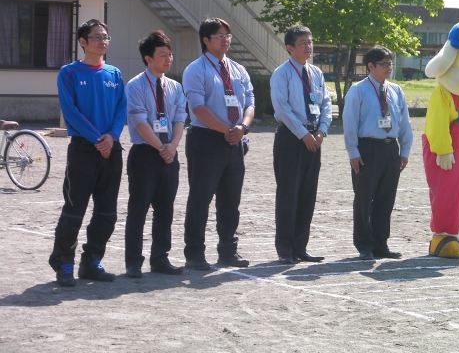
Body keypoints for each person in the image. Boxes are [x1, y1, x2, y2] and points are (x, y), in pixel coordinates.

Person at [49, 19, 126, 287]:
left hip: (111, 149)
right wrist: (97, 138)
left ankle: (91, 261)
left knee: (107, 212)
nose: (102, 41)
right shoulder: (69, 72)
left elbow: (121, 109)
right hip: (84, 149)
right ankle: (64, 264)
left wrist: (111, 137)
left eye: (105, 37)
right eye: (96, 37)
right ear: (83, 42)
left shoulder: (114, 74)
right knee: (74, 210)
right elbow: (71, 112)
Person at [182, 17, 255, 269]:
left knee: (230, 200)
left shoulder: (237, 69)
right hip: (206, 140)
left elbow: (250, 102)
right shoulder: (196, 69)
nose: (225, 40)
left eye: (228, 35)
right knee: (201, 199)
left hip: (234, 140)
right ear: (206, 40)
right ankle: (194, 254)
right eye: (219, 35)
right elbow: (198, 108)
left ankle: (228, 251)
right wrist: (228, 130)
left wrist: (242, 128)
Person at [124, 31, 187, 278]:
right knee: (138, 209)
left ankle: (160, 258)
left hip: (169, 155)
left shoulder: (175, 87)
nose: (168, 59)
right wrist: (161, 148)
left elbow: (180, 118)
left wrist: (172, 146)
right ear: (148, 58)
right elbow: (139, 121)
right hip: (145, 155)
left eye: (170, 55)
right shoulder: (136, 85)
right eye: (163, 55)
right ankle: (133, 262)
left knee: (165, 210)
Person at [343, 46, 413, 260]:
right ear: (370, 67)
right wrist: (353, 152)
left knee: (386, 198)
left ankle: (380, 243)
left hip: (390, 148)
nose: (388, 67)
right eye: (384, 64)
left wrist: (405, 149)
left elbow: (404, 122)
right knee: (364, 198)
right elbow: (350, 123)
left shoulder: (396, 91)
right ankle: (364, 245)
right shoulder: (358, 90)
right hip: (368, 148)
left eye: (390, 63)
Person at [270, 25, 332, 264]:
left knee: (308, 194)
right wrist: (302, 134)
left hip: (314, 138)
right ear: (290, 47)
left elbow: (326, 103)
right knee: (288, 194)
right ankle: (284, 248)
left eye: (310, 41)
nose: (308, 46)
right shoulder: (282, 73)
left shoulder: (316, 73)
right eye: (302, 43)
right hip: (290, 138)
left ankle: (300, 247)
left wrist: (321, 131)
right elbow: (282, 108)